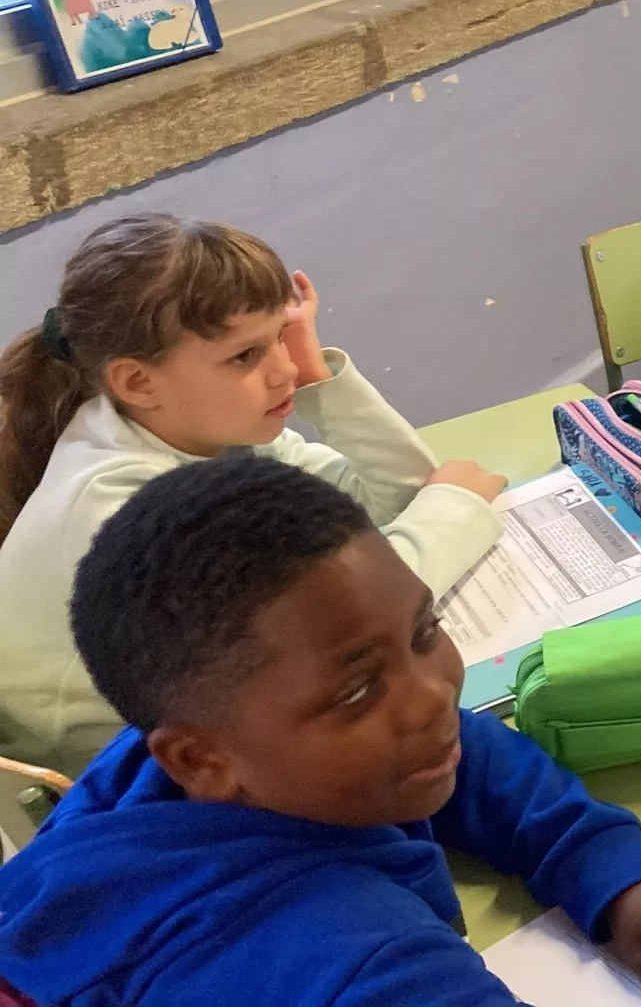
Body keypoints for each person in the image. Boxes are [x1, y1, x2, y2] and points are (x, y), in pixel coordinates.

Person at [0, 456, 641, 1007]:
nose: (431, 697)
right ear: (201, 757)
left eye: (424, 631)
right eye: (356, 691)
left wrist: (612, 878)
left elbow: (463, 753)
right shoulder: (357, 964)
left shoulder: (165, 771)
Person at [0, 215, 508, 776]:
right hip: (116, 775)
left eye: (281, 338)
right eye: (245, 356)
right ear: (138, 382)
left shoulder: (204, 433)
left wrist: (319, 379)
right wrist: (455, 507)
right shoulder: (131, 508)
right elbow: (340, 624)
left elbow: (389, 500)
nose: (283, 369)